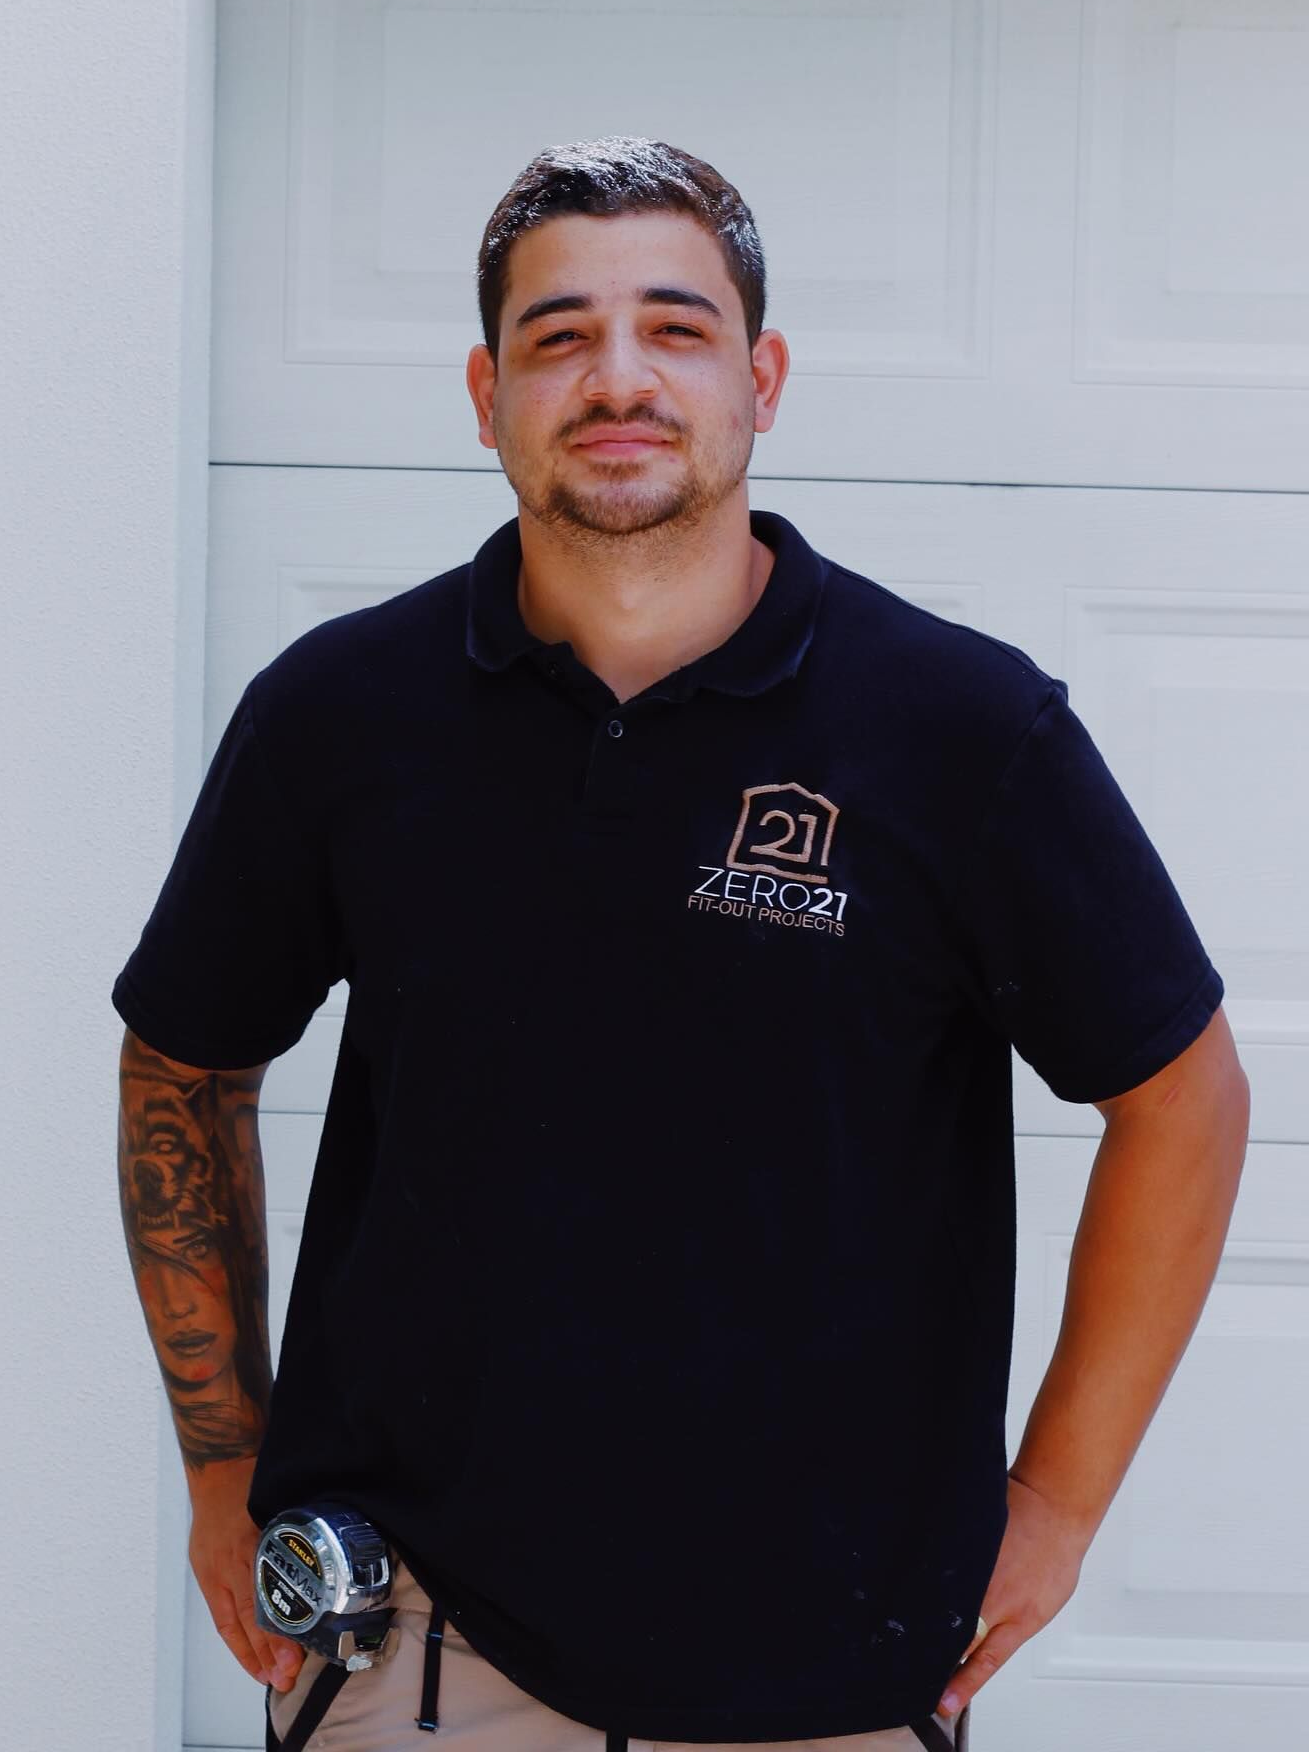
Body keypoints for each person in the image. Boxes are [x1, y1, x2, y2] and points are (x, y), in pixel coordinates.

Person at [113, 138, 1250, 1752]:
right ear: (485, 389)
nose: (618, 376)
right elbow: (183, 1059)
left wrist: (1059, 1499)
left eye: (677, 326)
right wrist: (226, 1469)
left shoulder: (960, 731)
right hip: (430, 1652)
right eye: (559, 335)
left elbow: (1183, 1097)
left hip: (834, 1667)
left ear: (763, 377)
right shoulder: (343, 717)